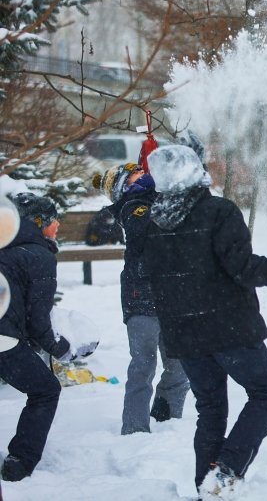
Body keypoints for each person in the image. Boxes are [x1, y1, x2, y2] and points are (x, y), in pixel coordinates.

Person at [140, 145, 267, 498]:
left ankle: (208, 485)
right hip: (227, 329)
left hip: (184, 336)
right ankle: (227, 472)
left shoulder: (153, 221)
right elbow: (245, 268)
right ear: (195, 172)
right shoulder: (218, 211)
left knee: (211, 409)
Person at [0, 193, 97, 482]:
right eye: (54, 219)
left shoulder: (6, 249)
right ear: (38, 223)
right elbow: (38, 320)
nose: (58, 225)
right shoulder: (37, 255)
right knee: (45, 391)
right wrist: (62, 349)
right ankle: (19, 462)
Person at [92, 163, 190, 435]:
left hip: (173, 297)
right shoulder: (131, 206)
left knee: (180, 364)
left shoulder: (155, 197)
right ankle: (135, 429)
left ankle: (167, 417)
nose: (143, 173)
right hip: (142, 298)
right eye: (135, 173)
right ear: (125, 184)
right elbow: (147, 227)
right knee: (143, 365)